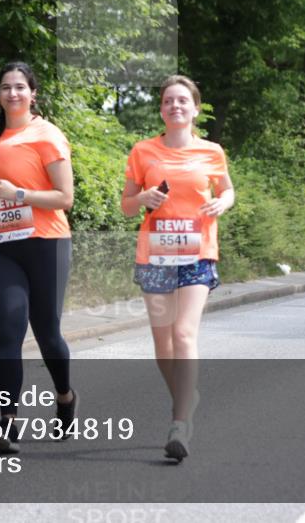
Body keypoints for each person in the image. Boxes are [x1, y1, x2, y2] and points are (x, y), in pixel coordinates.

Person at [121, 75, 234, 462]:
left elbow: (227, 189)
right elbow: (126, 206)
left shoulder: (212, 152)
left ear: (195, 108)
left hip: (198, 252)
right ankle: (188, 396)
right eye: (169, 101)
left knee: (184, 334)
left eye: (183, 101)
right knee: (163, 346)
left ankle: (179, 422)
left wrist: (224, 203)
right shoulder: (143, 151)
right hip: (155, 254)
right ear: (161, 109)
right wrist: (142, 197)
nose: (176, 106)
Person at [0, 61, 76, 454]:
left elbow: (65, 198)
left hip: (46, 243)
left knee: (48, 333)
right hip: (1, 245)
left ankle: (65, 396)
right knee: (9, 331)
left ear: (33, 94)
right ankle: (8, 422)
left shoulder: (47, 136)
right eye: (5, 88)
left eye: (19, 87)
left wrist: (19, 194)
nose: (12, 94)